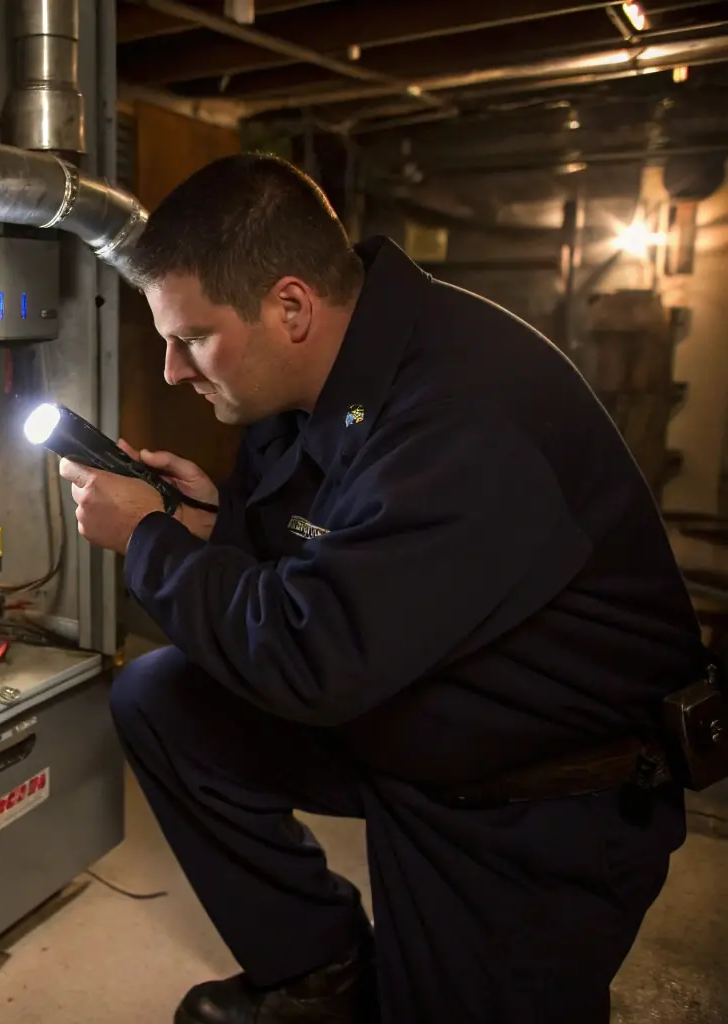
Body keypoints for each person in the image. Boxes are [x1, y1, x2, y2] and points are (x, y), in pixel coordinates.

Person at [59, 153, 706, 1024]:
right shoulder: (323, 378)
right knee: (161, 697)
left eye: (192, 339)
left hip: (535, 799)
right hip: (409, 718)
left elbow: (313, 658)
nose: (174, 370)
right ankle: (317, 972)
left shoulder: (460, 414)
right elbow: (322, 557)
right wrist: (213, 529)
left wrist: (147, 539)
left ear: (290, 307)